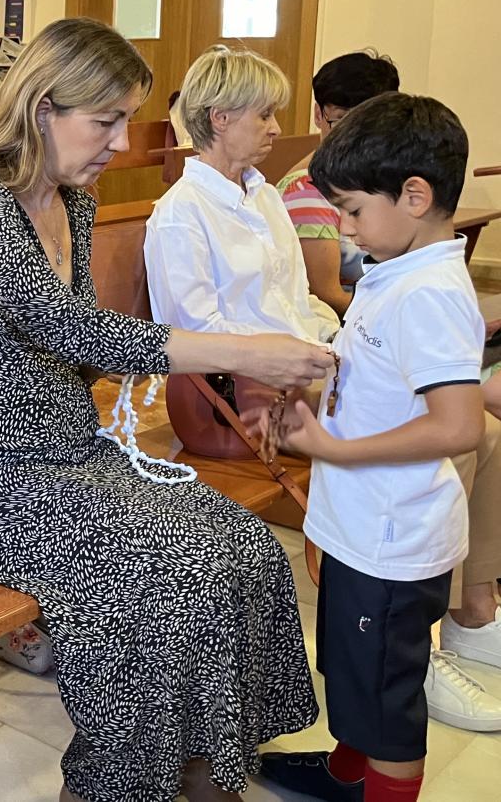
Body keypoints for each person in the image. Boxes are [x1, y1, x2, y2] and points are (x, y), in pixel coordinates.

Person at [0, 16, 334, 802]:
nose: (117, 142)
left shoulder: (67, 201)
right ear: (42, 108)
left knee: (241, 547)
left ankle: (209, 774)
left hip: (71, 452)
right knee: (167, 573)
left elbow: (87, 347)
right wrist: (242, 351)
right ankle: (115, 786)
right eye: (103, 121)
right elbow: (66, 327)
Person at [254, 93, 484, 802]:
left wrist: (330, 447)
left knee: (387, 708)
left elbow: (458, 425)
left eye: (352, 209)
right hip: (364, 527)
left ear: (414, 196)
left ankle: (374, 778)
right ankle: (344, 772)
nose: (345, 229)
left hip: (392, 539)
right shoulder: (397, 274)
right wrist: (314, 382)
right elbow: (384, 376)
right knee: (355, 676)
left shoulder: (430, 294)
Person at [145, 45, 338, 344]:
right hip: (246, 377)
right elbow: (195, 333)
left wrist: (336, 337)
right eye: (265, 115)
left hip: (301, 355)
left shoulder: (267, 197)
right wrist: (295, 353)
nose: (276, 128)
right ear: (219, 118)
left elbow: (298, 299)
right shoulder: (181, 213)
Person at [277, 50, 400, 318]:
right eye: (342, 121)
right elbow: (325, 295)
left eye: (367, 123)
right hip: (341, 327)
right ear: (318, 115)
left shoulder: (383, 176)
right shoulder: (307, 189)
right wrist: (394, 323)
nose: (354, 137)